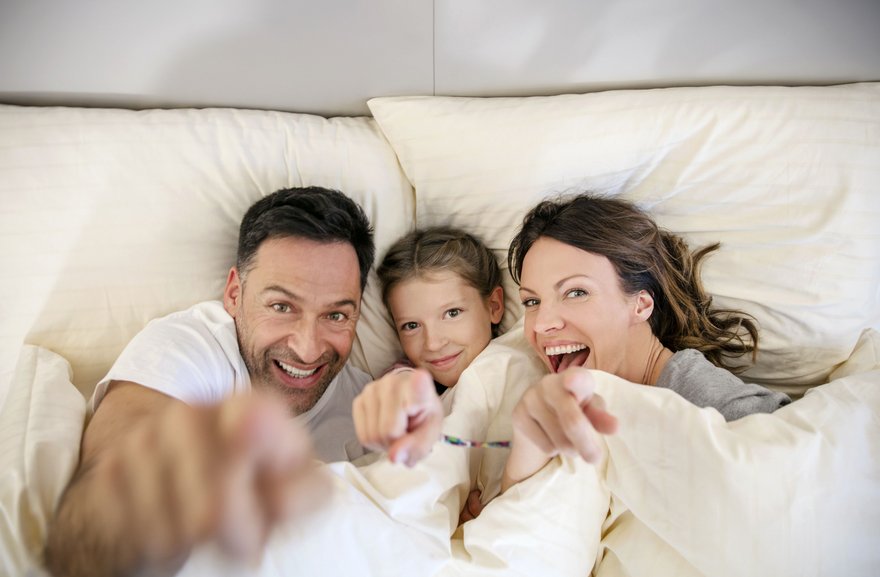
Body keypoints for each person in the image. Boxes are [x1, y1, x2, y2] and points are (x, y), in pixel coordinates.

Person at [44, 186, 376, 577]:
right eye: (281, 307)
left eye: (336, 315)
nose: (307, 349)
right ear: (235, 294)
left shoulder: (371, 403)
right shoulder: (188, 347)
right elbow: (98, 513)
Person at [501, 193, 791, 489]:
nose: (542, 323)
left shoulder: (698, 396)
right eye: (532, 301)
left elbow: (795, 474)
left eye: (576, 292)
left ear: (640, 305)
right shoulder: (560, 398)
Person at [352, 226, 505, 467]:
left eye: (452, 313)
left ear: (494, 306)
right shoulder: (411, 379)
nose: (433, 343)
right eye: (411, 325)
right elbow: (402, 387)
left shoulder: (516, 358)